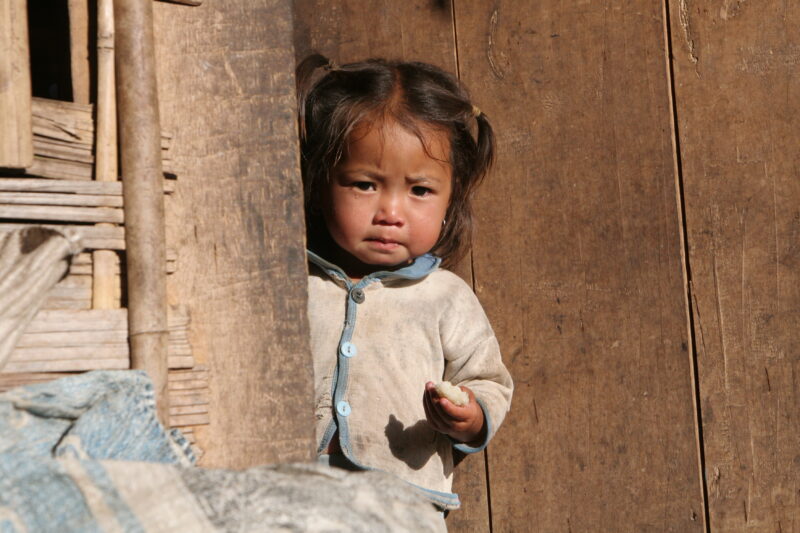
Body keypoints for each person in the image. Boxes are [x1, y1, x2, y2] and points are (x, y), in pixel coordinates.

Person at [296, 54, 513, 513]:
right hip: (291, 495)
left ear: (451, 200)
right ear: (320, 184)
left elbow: (487, 380)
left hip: (403, 506)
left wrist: (471, 416)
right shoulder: (293, 285)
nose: (390, 212)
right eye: (364, 184)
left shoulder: (445, 298)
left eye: (419, 190)